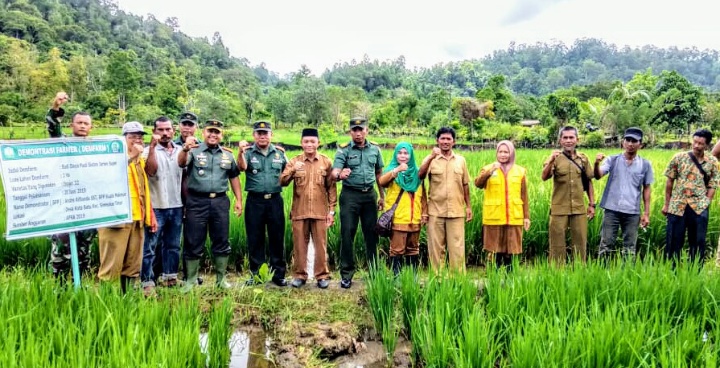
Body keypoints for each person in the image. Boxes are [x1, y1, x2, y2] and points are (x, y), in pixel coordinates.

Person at [178, 119, 243, 291]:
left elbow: (234, 177)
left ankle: (221, 280)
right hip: (196, 201)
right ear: (203, 133)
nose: (213, 135)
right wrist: (185, 148)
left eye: (217, 132)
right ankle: (190, 280)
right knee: (193, 239)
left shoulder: (227, 155)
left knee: (221, 239)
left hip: (220, 202)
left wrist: (239, 200)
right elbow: (181, 163)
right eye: (210, 131)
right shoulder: (193, 151)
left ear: (221, 135)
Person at [97, 122, 156, 293]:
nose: (137, 140)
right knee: (111, 265)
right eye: (132, 137)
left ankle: (127, 298)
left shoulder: (139, 160)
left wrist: (149, 215)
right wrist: (130, 156)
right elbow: (107, 177)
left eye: (140, 137)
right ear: (124, 139)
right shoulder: (110, 157)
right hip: (116, 219)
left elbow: (143, 189)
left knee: (132, 264)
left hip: (137, 219)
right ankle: (107, 300)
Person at [279, 128, 337, 289]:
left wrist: (331, 211)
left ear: (318, 143)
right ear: (301, 143)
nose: (309, 144)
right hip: (299, 211)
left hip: (320, 212)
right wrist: (292, 170)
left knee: (321, 244)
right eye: (306, 141)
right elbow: (282, 182)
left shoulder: (326, 162)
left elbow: (331, 188)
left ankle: (322, 276)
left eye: (313, 141)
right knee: (299, 244)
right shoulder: (294, 161)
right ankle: (300, 275)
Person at [331, 117, 384, 289]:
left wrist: (381, 196)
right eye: (355, 130)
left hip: (369, 196)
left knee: (371, 235)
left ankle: (374, 272)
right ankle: (346, 274)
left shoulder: (375, 149)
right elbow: (334, 172)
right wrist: (340, 175)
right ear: (350, 132)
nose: (358, 133)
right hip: (350, 196)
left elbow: (378, 174)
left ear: (366, 130)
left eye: (361, 129)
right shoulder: (343, 150)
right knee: (347, 233)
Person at [238, 121, 288, 286]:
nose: (262, 136)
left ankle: (278, 274)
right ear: (254, 135)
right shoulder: (247, 152)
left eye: (265, 133)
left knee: (277, 237)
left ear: (271, 135)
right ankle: (257, 274)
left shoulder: (279, 153)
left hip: (275, 200)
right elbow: (241, 167)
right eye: (259, 133)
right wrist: (239, 152)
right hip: (255, 201)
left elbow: (288, 172)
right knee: (255, 238)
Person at [48, 111, 96, 281]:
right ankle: (58, 291)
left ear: (91, 127)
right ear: (72, 125)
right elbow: (53, 129)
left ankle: (81, 288)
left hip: (86, 208)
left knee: (84, 253)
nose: (83, 126)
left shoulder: (94, 149)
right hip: (65, 208)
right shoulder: (63, 143)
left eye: (86, 123)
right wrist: (55, 109)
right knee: (60, 254)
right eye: (79, 122)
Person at [594, 127, 654, 261]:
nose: (630, 144)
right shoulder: (612, 160)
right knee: (606, 245)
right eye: (628, 140)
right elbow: (598, 175)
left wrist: (646, 213)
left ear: (641, 144)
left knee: (629, 248)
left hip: (632, 212)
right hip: (611, 210)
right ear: (623, 142)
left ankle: (627, 275)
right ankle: (602, 274)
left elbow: (647, 188)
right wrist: (596, 163)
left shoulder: (645, 165)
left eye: (634, 141)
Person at [140, 116, 184, 294]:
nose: (165, 133)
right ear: (154, 132)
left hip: (176, 204)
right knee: (150, 246)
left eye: (168, 129)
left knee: (172, 244)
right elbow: (150, 171)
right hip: (156, 205)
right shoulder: (146, 151)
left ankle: (170, 276)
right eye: (161, 130)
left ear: (174, 131)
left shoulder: (181, 150)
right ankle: (147, 280)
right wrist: (151, 147)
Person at [418, 127, 472, 273]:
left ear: (453, 142)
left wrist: (468, 207)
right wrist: (430, 157)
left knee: (457, 248)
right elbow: (420, 177)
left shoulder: (461, 161)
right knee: (436, 249)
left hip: (456, 210)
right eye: (442, 138)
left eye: (449, 139)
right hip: (435, 210)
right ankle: (437, 280)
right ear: (437, 141)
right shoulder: (430, 160)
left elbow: (465, 184)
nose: (445, 141)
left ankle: (458, 281)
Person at [662, 129, 719, 266]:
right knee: (673, 242)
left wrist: (707, 202)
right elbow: (669, 181)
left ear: (707, 145)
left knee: (698, 242)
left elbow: (713, 184)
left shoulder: (712, 161)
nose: (696, 146)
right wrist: (666, 203)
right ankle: (670, 272)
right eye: (694, 142)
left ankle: (695, 273)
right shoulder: (679, 157)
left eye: (700, 143)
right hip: (677, 206)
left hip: (699, 207)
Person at [541, 126, 595, 265]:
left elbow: (588, 181)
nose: (568, 141)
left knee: (580, 242)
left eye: (571, 137)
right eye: (565, 138)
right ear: (560, 140)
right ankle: (557, 274)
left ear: (577, 139)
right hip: (559, 208)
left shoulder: (583, 159)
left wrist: (592, 204)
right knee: (557, 244)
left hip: (579, 208)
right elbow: (544, 176)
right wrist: (551, 160)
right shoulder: (555, 158)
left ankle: (578, 273)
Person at [474, 140, 530, 271]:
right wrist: (489, 171)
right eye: (500, 151)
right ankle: (495, 277)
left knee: (511, 249)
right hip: (494, 217)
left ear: (511, 153)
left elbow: (524, 196)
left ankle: (511, 277)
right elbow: (478, 184)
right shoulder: (488, 168)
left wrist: (526, 217)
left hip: (514, 217)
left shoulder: (520, 171)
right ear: (496, 153)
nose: (503, 155)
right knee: (494, 249)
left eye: (506, 152)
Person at [377, 142, 427, 275]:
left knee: (413, 249)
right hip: (398, 218)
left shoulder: (417, 172)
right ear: (395, 154)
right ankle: (396, 278)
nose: (403, 156)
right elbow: (382, 182)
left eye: (406, 153)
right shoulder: (392, 170)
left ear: (411, 155)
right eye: (400, 153)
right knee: (397, 249)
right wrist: (397, 170)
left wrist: (424, 213)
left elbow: (423, 195)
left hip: (414, 218)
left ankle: (412, 278)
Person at [174, 111, 202, 285]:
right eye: (184, 124)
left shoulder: (203, 147)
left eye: (190, 125)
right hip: (172, 195)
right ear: (179, 126)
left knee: (192, 238)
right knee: (169, 238)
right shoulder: (171, 144)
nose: (187, 127)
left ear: (196, 127)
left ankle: (189, 274)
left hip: (192, 198)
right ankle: (167, 273)